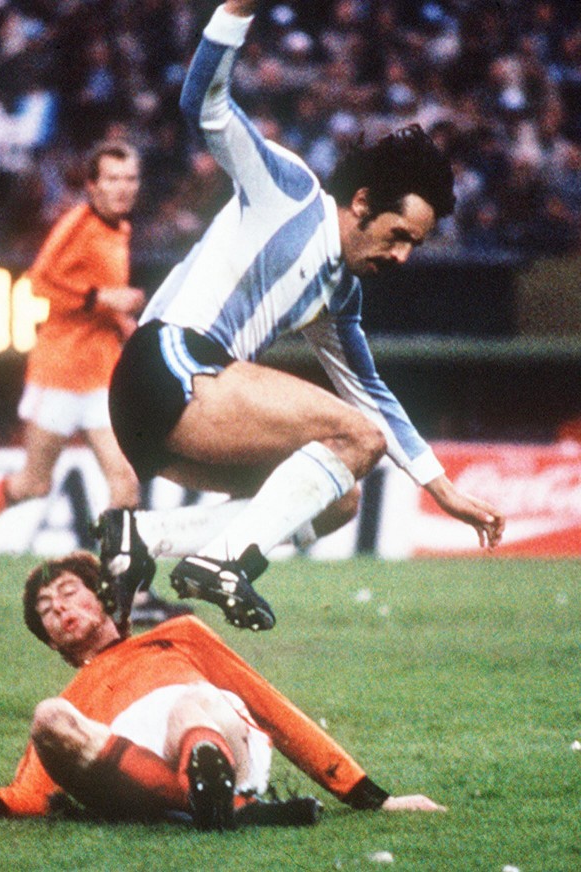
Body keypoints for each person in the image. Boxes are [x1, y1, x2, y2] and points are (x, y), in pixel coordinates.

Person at [97, 0, 505, 632]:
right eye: (398, 235)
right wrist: (234, 11)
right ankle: (224, 562)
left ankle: (142, 538)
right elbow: (202, 106)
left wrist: (442, 489)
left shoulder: (341, 293)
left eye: (413, 247)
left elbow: (370, 392)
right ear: (363, 202)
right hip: (167, 364)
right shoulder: (287, 188)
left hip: (165, 421)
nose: (401, 255)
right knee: (356, 438)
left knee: (340, 498)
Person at [0, 551, 446, 829]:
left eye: (68, 594)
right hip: (129, 769)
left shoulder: (178, 635)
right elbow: (33, 793)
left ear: (105, 599)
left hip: (214, 735)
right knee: (48, 717)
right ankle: (231, 810)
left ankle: (211, 794)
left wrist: (373, 797)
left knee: (192, 702)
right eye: (46, 611)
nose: (59, 609)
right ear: (48, 639)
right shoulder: (76, 695)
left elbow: (273, 710)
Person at [0, 140, 189, 625]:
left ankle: (131, 596)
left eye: (131, 179)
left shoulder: (119, 228)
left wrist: (125, 324)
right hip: (60, 372)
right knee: (33, 483)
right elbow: (40, 284)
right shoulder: (77, 225)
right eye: (114, 179)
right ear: (92, 185)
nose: (125, 189)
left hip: (102, 374)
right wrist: (107, 299)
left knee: (124, 482)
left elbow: (100, 305)